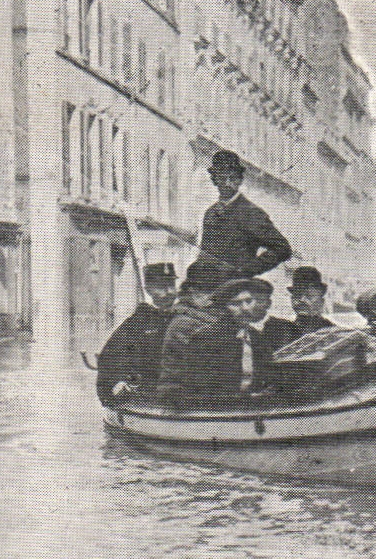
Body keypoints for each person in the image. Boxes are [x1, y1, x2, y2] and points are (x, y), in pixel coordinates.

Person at [194, 150, 292, 288]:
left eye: (232, 178)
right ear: (215, 180)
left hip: (237, 291)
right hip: (209, 288)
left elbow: (283, 248)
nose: (228, 183)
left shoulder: (251, 213)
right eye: (222, 178)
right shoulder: (210, 213)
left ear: (240, 180)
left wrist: (247, 270)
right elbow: (205, 253)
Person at [96, 262, 177, 404]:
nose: (169, 291)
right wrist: (121, 382)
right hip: (149, 398)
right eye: (162, 286)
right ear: (148, 290)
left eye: (171, 285)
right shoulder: (138, 323)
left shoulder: (183, 319)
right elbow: (109, 358)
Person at [156, 264, 235, 405]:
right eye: (207, 291)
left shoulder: (219, 319)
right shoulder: (183, 324)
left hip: (218, 395)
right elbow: (175, 372)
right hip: (188, 400)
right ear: (191, 291)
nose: (212, 297)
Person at [287, 265, 336, 338]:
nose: (302, 300)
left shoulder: (333, 333)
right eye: (297, 295)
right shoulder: (284, 333)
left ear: (321, 302)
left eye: (309, 296)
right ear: (291, 299)